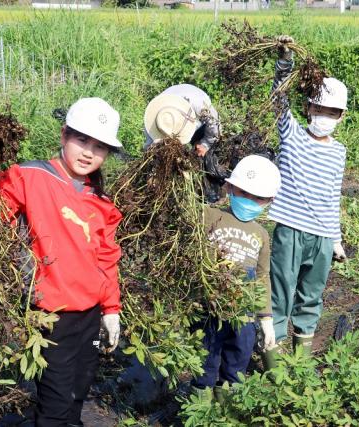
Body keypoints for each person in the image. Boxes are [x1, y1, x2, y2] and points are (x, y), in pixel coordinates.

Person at [0, 98, 123, 426]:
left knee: (78, 391)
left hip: (90, 316)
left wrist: (112, 311)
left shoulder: (99, 200)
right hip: (51, 316)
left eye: (99, 147)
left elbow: (107, 258)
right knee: (54, 402)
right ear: (64, 134)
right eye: (81, 140)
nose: (88, 153)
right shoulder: (29, 176)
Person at [266, 36, 348, 364]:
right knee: (281, 295)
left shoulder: (339, 151)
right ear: (309, 108)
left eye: (333, 111)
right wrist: (284, 61)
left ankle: (298, 367)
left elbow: (332, 196)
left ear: (341, 116)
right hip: (290, 230)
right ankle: (274, 371)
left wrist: (336, 240)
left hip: (322, 238)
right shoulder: (293, 135)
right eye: (320, 108)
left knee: (310, 298)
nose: (325, 115)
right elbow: (278, 100)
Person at [191, 155, 281, 402]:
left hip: (243, 315)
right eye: (243, 192)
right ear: (229, 187)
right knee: (204, 364)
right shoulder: (208, 215)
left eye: (258, 198)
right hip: (208, 309)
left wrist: (266, 319)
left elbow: (262, 278)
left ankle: (226, 412)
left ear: (269, 201)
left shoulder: (261, 234)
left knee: (236, 366)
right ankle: (199, 411)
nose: (249, 201)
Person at [144, 84, 226, 203]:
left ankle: (210, 193)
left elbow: (215, 125)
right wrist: (152, 171)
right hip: (174, 117)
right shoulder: (156, 121)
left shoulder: (200, 107)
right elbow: (149, 148)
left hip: (197, 120)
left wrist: (205, 144)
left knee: (205, 155)